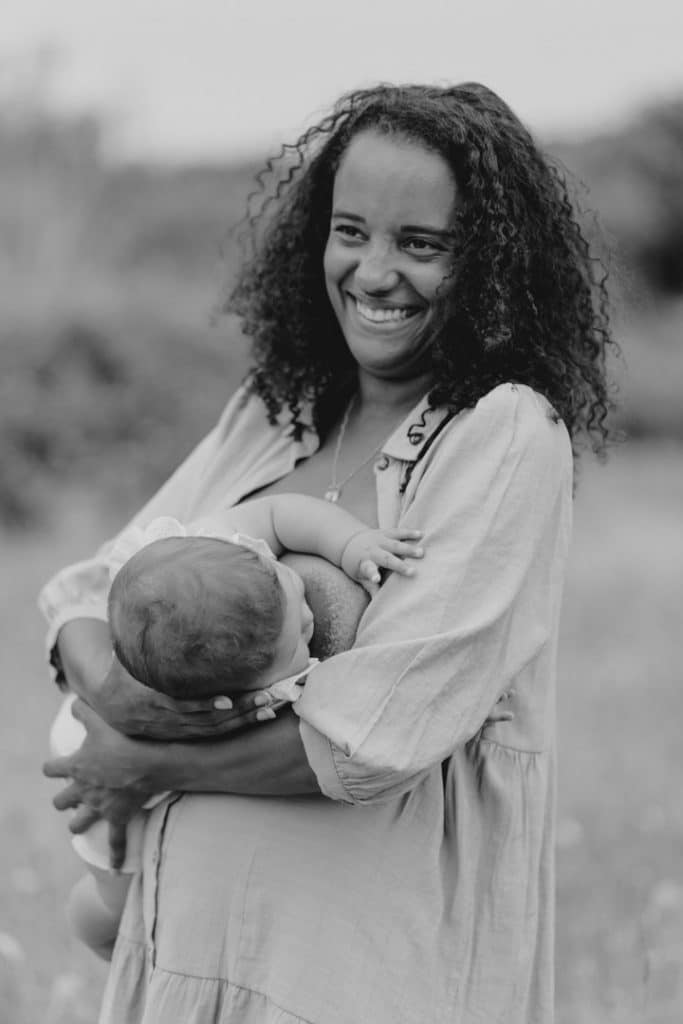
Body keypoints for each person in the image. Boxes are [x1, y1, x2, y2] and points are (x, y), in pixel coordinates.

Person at [41, 81, 617, 1023]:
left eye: (420, 244)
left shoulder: (501, 434)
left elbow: (375, 735)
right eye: (350, 231)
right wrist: (111, 704)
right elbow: (88, 592)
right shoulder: (279, 410)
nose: (373, 271)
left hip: (353, 973)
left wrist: (144, 762)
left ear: (494, 264)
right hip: (185, 954)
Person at [48, 495, 424, 959]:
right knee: (120, 898)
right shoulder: (225, 688)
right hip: (85, 737)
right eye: (298, 645)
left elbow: (279, 514)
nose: (308, 620)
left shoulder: (220, 546)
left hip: (116, 717)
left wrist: (352, 544)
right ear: (232, 691)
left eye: (294, 593)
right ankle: (95, 916)